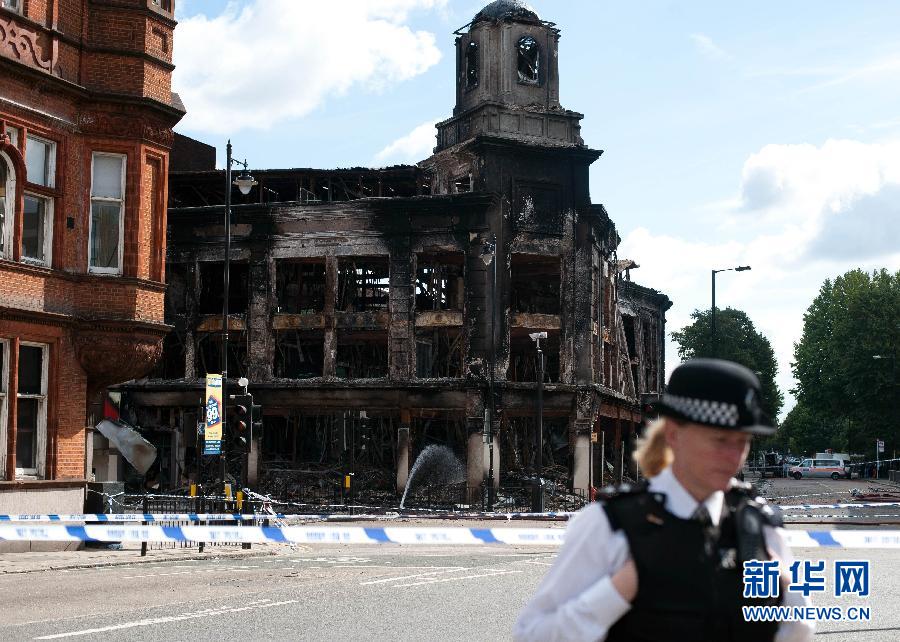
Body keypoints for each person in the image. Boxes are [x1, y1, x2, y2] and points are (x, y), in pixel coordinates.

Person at [514, 359, 814, 642]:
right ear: (673, 434)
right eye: (720, 440)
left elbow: (797, 632)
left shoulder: (757, 525)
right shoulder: (611, 525)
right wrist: (621, 588)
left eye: (743, 442)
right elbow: (533, 634)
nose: (734, 456)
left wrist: (785, 588)